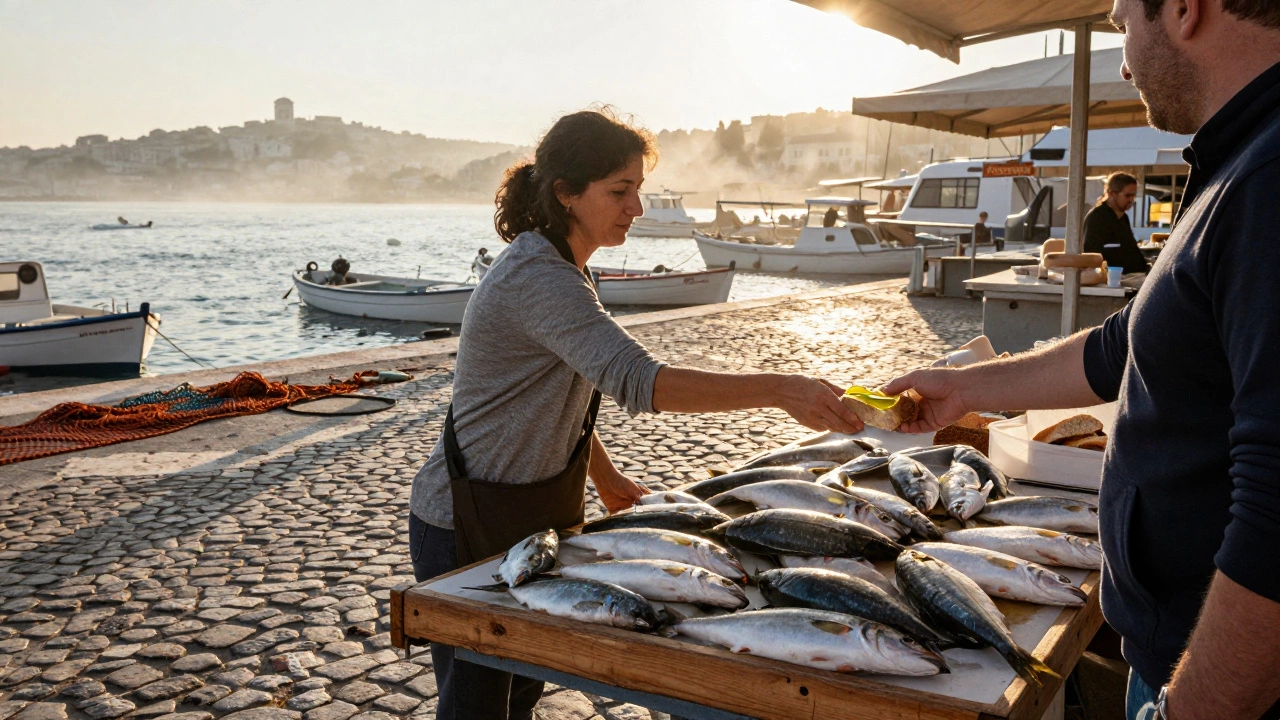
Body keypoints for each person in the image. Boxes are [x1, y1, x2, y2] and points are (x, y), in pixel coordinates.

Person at [885, 1, 1280, 717]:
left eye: (1123, 23)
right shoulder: (1238, 158)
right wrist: (965, 388)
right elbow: (1120, 346)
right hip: (1167, 655)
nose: (1124, 63)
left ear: (1184, 9)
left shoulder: (1268, 179)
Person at [407, 108, 862, 720]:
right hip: (462, 524)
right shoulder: (538, 277)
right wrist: (780, 389)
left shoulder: (568, 267)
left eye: (638, 189)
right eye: (620, 191)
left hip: (529, 518)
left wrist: (604, 475)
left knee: (524, 687)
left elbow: (566, 388)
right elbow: (639, 381)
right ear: (566, 193)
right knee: (477, 705)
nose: (636, 208)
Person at [1083, 171, 1149, 274]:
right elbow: (1091, 254)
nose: (1132, 200)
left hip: (1132, 276)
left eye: (1133, 195)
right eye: (1127, 195)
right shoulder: (1097, 218)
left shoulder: (1123, 218)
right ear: (1112, 194)